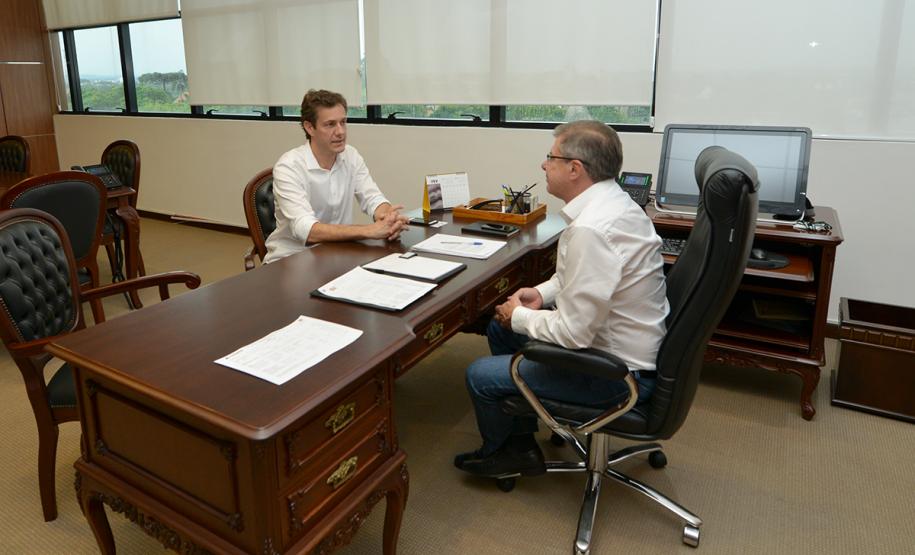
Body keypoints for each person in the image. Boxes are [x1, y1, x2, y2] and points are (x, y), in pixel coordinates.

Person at [454, 120, 669, 477]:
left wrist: (520, 316)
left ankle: (503, 455)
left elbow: (574, 334)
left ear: (575, 169)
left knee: (480, 375)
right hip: (628, 347)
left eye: (550, 157)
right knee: (501, 331)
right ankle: (520, 441)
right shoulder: (615, 203)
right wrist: (540, 293)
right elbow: (587, 277)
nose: (543, 165)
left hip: (614, 373)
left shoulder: (592, 230)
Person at [264, 89, 409, 263]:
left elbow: (372, 198)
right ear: (309, 127)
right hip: (291, 259)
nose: (340, 132)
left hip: (337, 252)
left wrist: (388, 217)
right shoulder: (289, 166)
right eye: (330, 124)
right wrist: (369, 230)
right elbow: (307, 230)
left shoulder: (351, 156)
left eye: (343, 122)